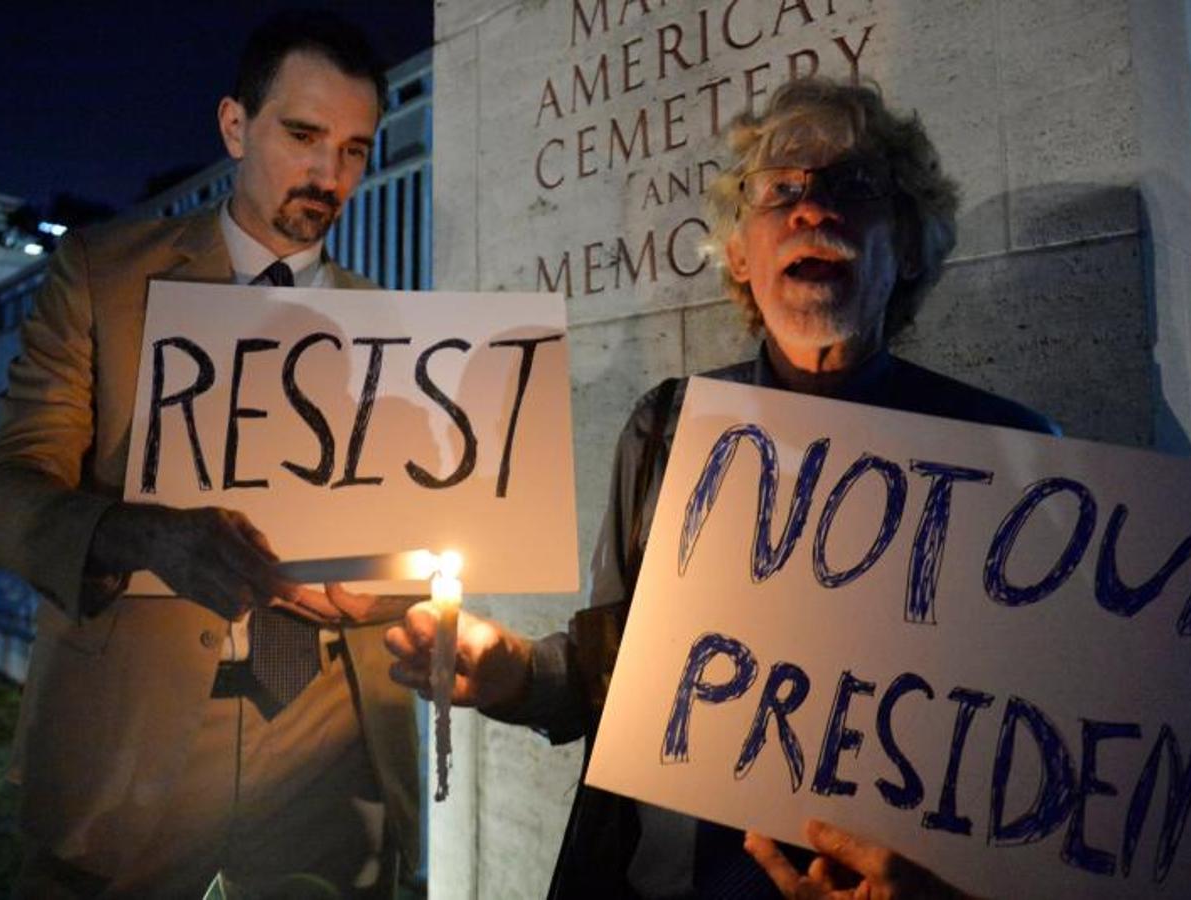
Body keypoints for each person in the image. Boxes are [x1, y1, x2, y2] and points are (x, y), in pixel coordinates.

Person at [386, 77, 1055, 898]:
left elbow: (1030, 780)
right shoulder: (667, 429)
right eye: (781, 192)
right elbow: (621, 669)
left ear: (910, 244)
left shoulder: (1015, 464)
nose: (813, 210)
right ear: (740, 253)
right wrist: (514, 673)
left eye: (852, 186)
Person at [0, 11, 420, 898]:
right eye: (303, 136)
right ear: (233, 126)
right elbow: (1, 496)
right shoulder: (104, 275)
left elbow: (422, 526)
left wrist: (386, 587)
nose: (330, 175)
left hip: (332, 733)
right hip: (133, 736)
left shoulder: (389, 318)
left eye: (357, 150)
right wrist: (144, 537)